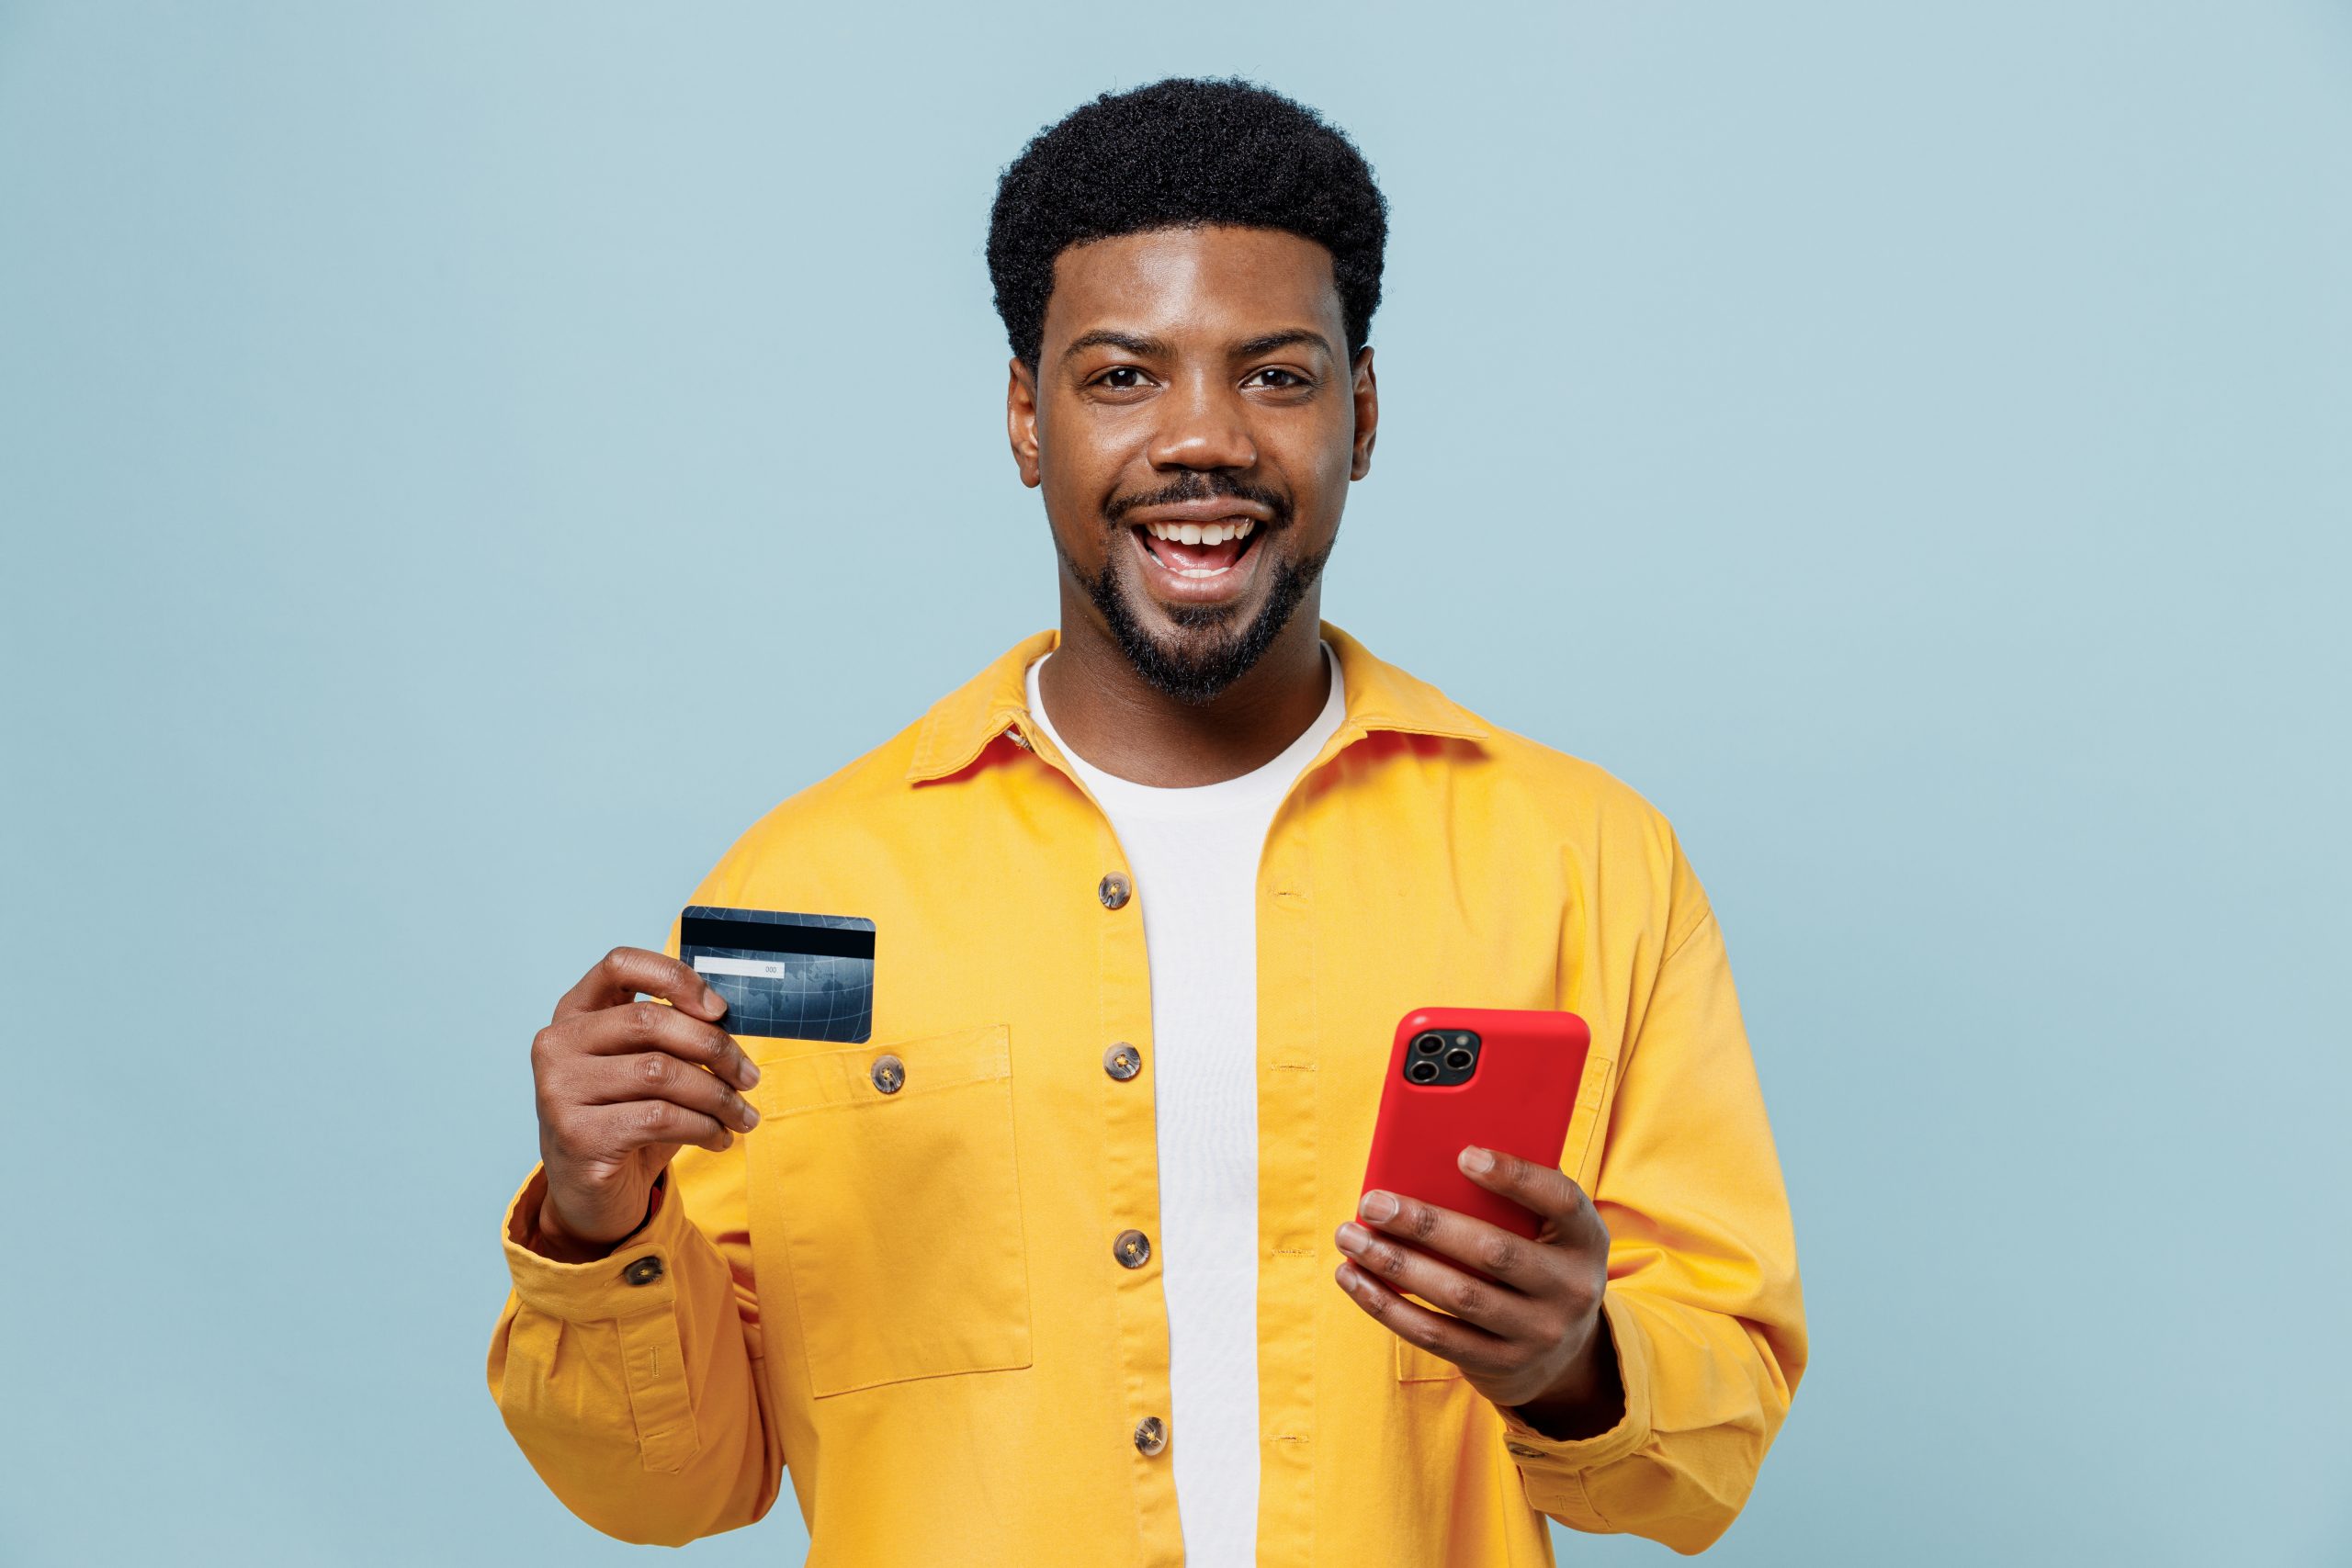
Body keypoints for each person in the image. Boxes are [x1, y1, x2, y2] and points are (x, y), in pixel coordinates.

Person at [486, 76, 1805, 1566]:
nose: (1203, 440)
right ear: (1024, 417)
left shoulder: (1585, 868)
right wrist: (599, 1223)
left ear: (1361, 416)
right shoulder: (812, 898)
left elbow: (1715, 1443)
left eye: (1277, 377)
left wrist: (1571, 1364)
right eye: (1122, 377)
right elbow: (671, 1491)